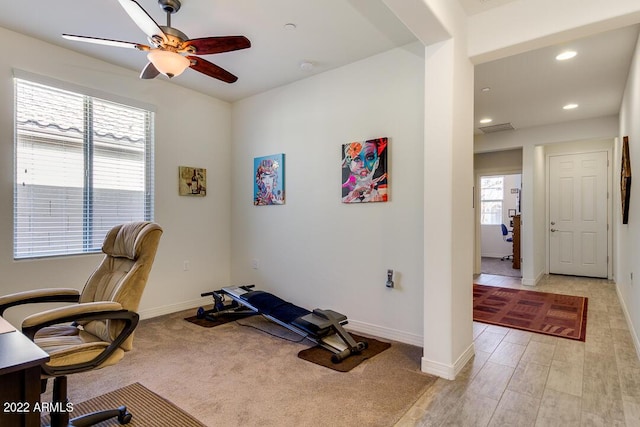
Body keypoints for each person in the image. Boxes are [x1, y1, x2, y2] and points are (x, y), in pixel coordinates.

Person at [342, 138, 388, 203]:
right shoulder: (344, 199)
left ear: (377, 162)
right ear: (349, 163)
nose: (363, 164)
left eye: (369, 157)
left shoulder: (382, 194)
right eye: (357, 159)